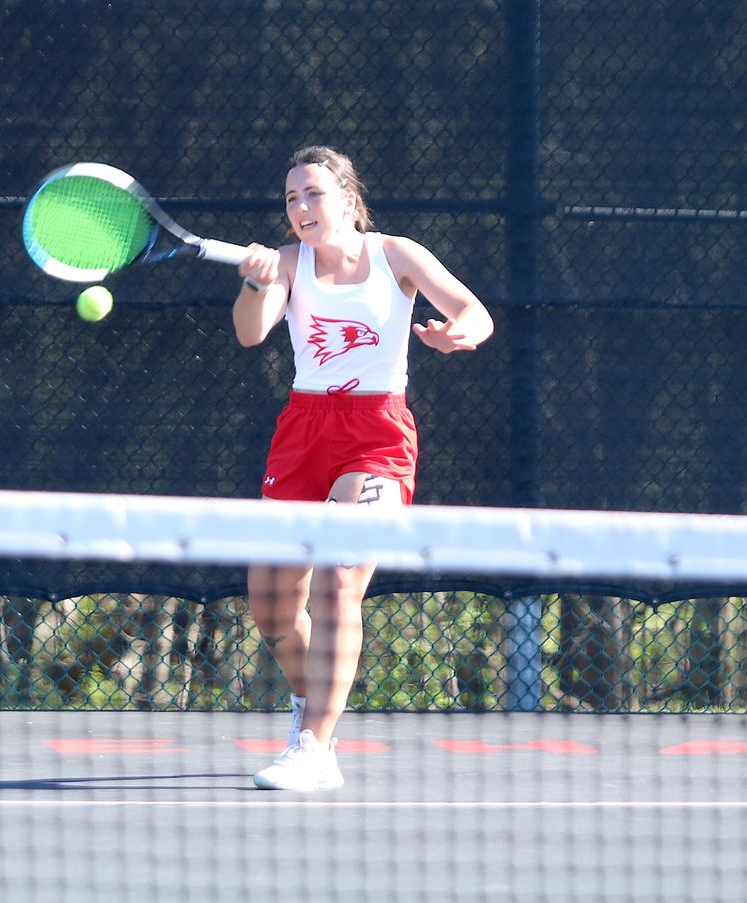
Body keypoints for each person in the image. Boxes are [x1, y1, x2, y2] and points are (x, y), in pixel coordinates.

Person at [233, 146, 494, 791]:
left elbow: (476, 313)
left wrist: (460, 332)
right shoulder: (288, 264)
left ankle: (316, 749)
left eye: (313, 194)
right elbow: (250, 332)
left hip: (375, 436)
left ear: (348, 199)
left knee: (339, 578)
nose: (300, 208)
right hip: (303, 432)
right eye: (291, 198)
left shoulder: (396, 255)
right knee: (269, 605)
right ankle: (313, 700)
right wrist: (256, 281)